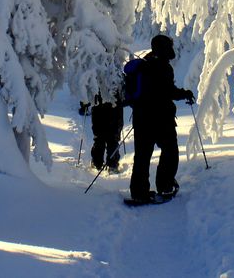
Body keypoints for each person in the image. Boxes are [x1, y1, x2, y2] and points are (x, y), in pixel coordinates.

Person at [129, 34, 195, 202]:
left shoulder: (144, 64)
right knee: (170, 151)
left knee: (142, 156)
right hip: (161, 119)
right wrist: (185, 94)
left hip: (141, 118)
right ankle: (165, 186)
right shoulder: (163, 67)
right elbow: (168, 91)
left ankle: (139, 193)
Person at [81, 91, 125, 172]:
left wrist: (84, 103)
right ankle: (112, 165)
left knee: (100, 137)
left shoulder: (96, 78)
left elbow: (88, 84)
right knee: (112, 137)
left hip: (99, 106)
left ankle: (97, 163)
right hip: (114, 107)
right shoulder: (117, 78)